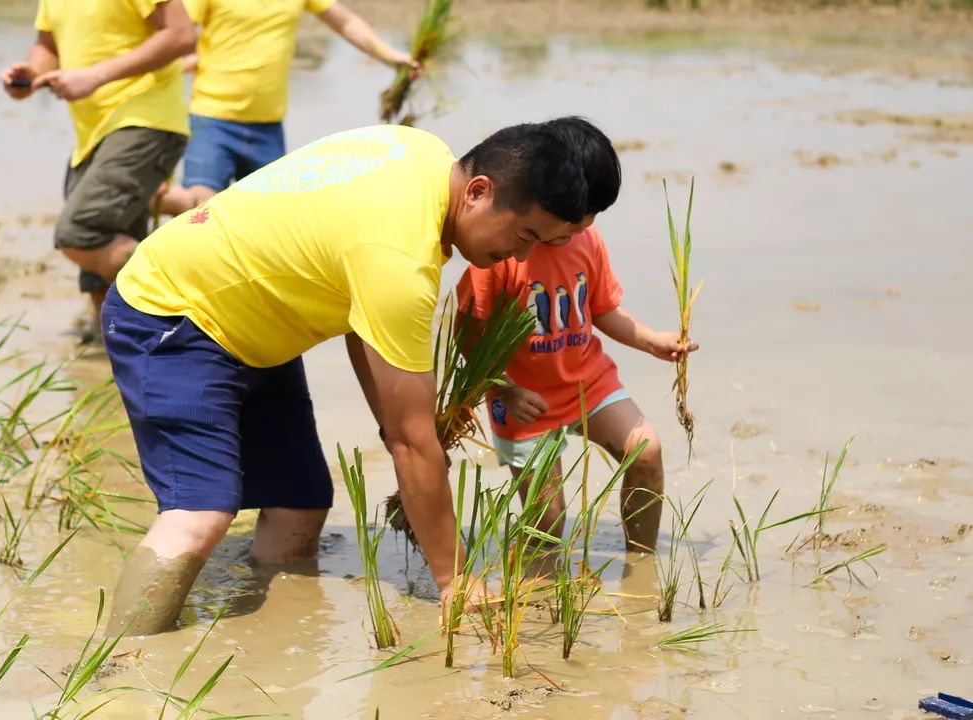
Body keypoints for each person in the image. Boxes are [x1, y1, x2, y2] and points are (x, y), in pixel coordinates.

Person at [101, 121, 591, 635]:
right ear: (478, 192)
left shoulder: (422, 154)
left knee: (300, 505)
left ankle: (267, 648)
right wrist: (455, 580)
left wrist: (398, 430)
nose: (520, 257)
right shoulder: (400, 257)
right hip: (172, 313)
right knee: (200, 514)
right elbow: (410, 439)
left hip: (257, 321)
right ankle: (119, 666)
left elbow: (367, 327)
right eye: (523, 236)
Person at [455, 117, 700, 554]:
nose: (582, 226)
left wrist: (650, 339)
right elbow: (468, 338)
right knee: (548, 521)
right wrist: (506, 391)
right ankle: (536, 594)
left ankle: (641, 567)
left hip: (588, 381)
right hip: (525, 400)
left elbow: (603, 309)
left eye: (591, 216)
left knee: (646, 451)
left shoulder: (587, 242)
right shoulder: (500, 254)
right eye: (575, 215)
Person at [0, 0, 195, 321]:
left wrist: (95, 76)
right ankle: (123, 357)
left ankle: (196, 307)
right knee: (98, 272)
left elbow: (181, 35)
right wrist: (32, 74)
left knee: (82, 232)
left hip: (145, 121)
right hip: (91, 135)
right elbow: (47, 45)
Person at [156, 0, 417, 215]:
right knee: (203, 213)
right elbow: (175, 32)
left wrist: (390, 56)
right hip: (212, 119)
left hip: (268, 127)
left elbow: (344, 21)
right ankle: (151, 200)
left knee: (271, 220)